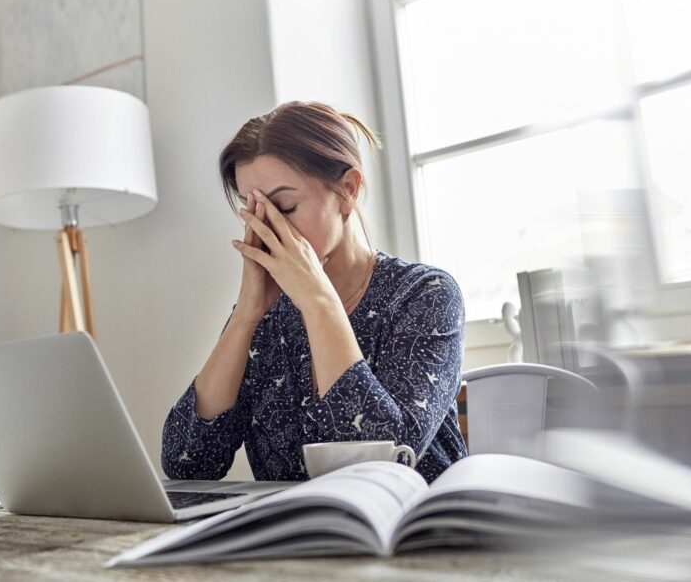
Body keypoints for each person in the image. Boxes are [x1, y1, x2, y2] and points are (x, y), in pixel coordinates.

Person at [161, 101, 467, 483]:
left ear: (348, 190)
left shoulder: (426, 295)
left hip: (412, 532)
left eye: (284, 207)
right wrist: (245, 317)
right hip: (295, 536)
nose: (267, 228)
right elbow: (186, 463)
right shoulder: (265, 315)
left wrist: (319, 302)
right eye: (253, 211)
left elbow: (381, 460)